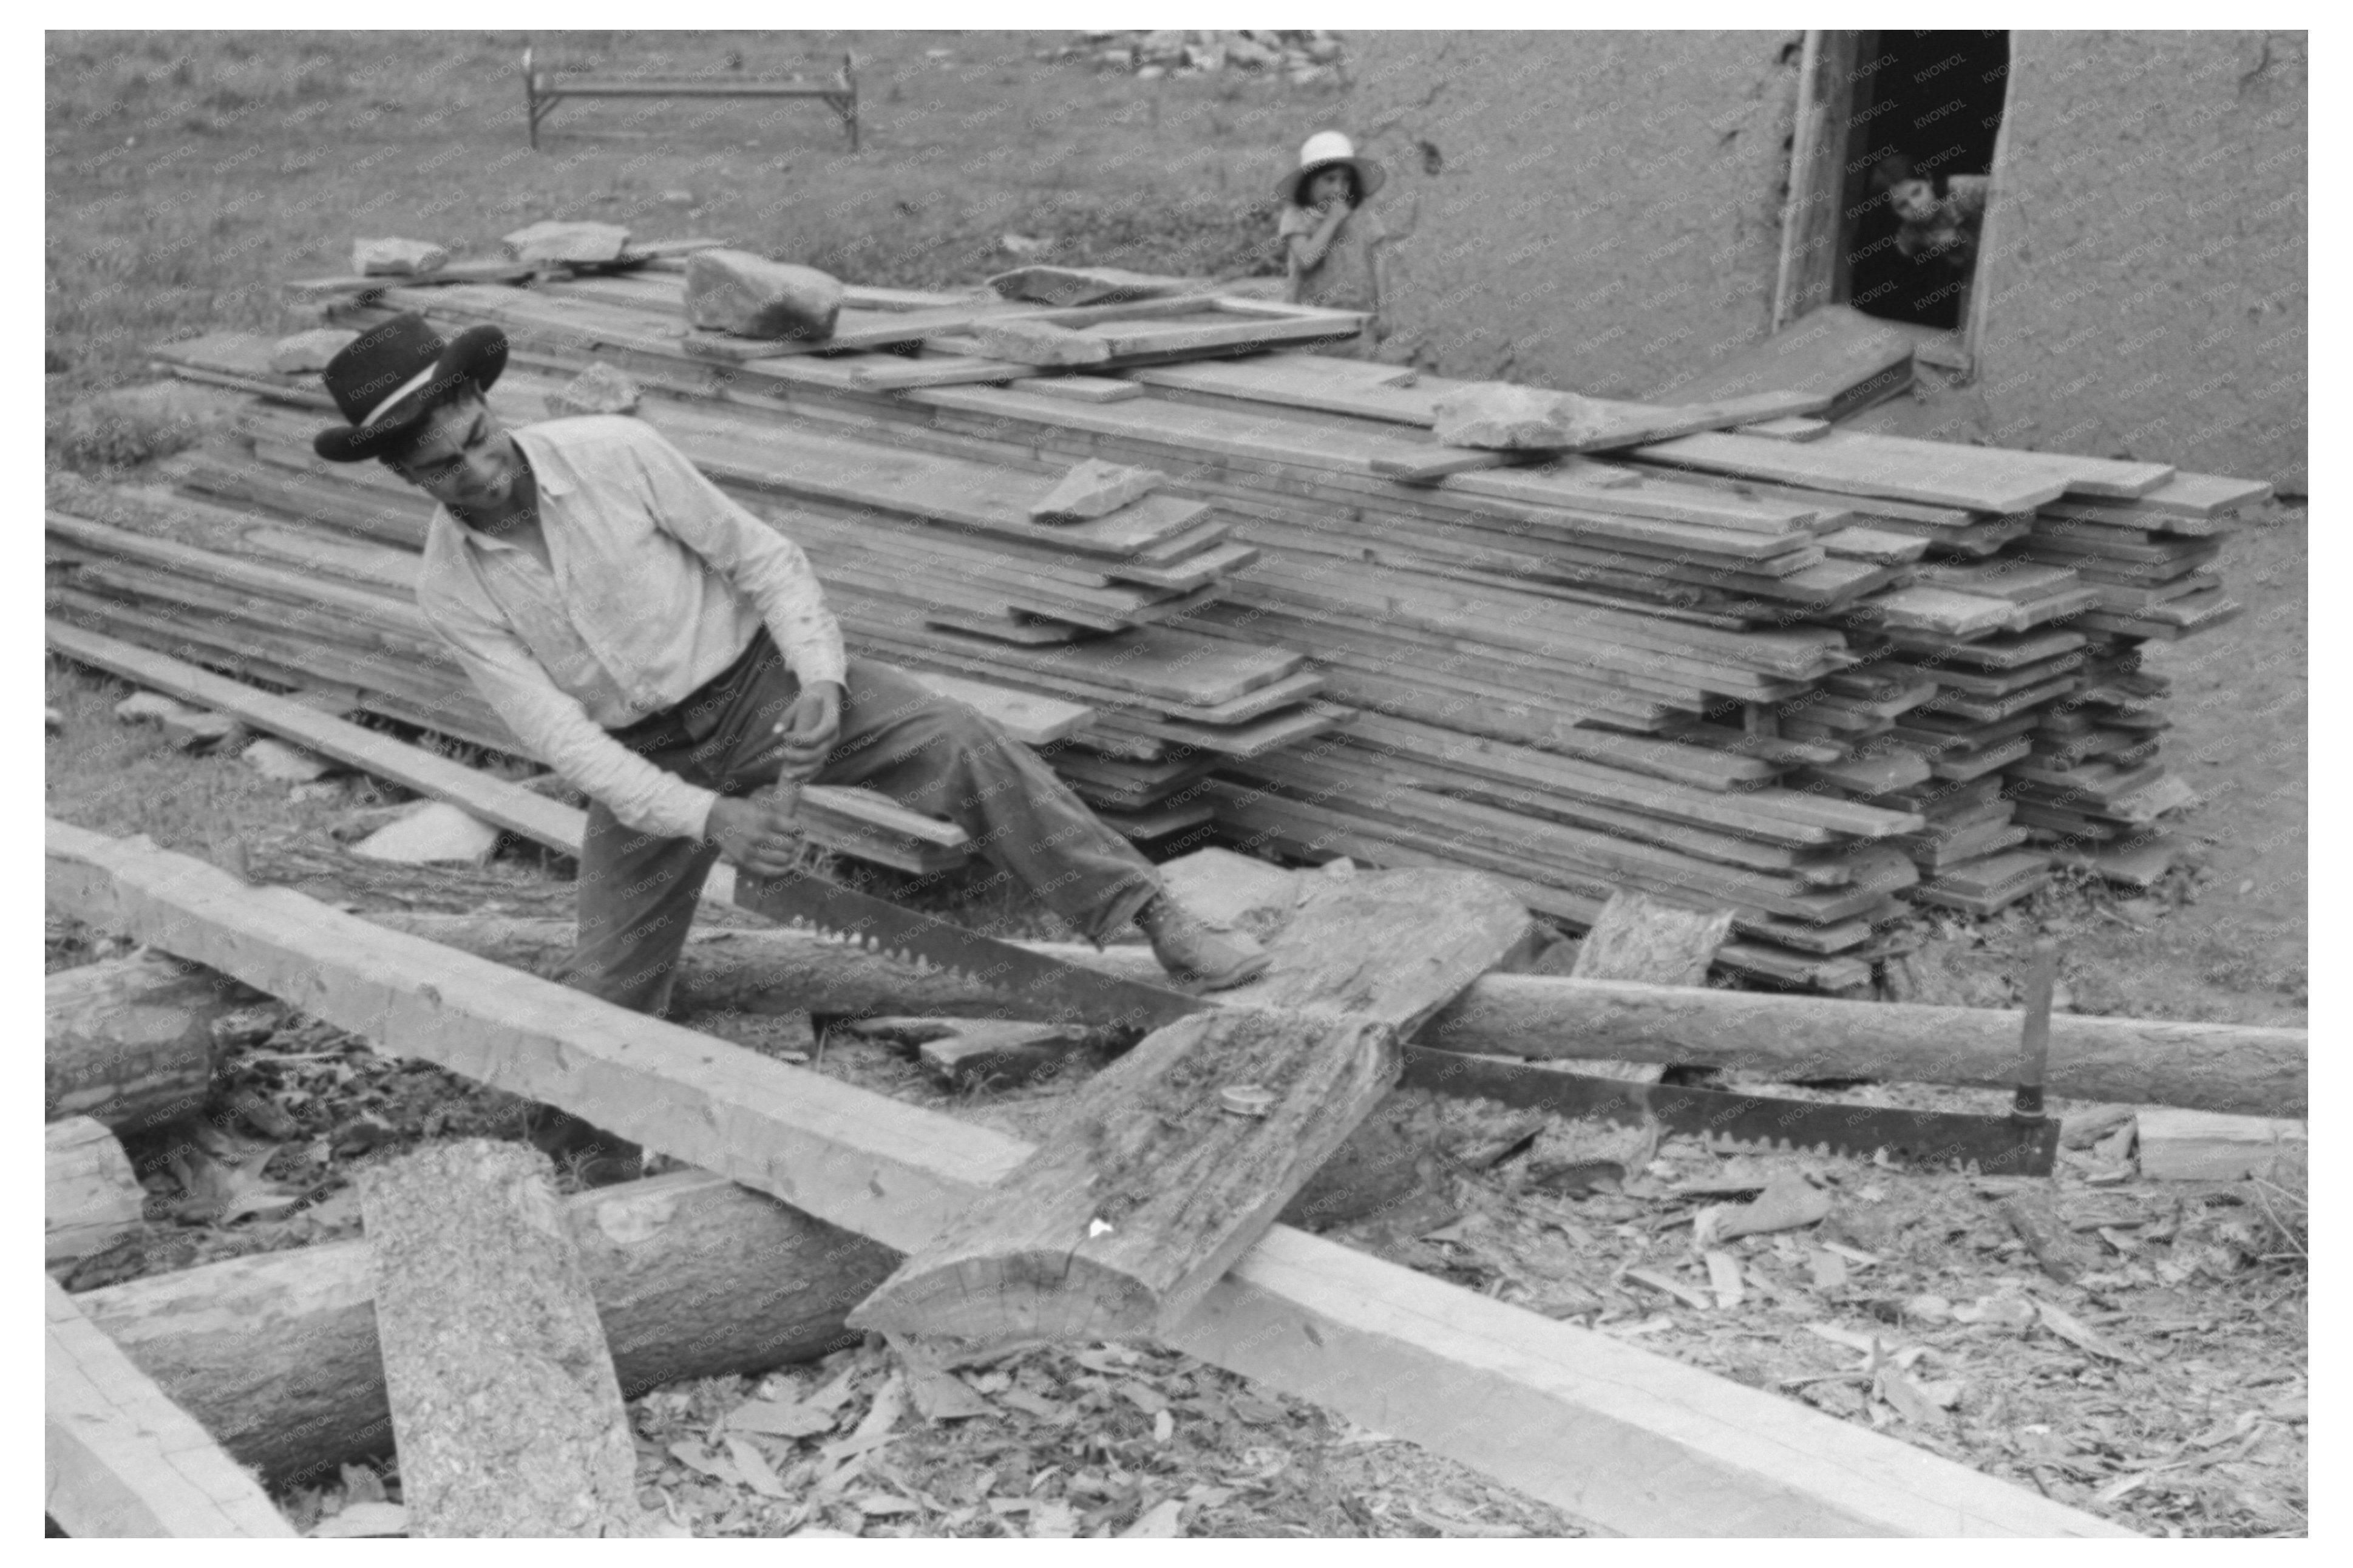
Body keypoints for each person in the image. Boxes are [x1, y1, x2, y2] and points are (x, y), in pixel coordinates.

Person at [309, 314, 1271, 1031]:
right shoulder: (451, 588)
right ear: (406, 477)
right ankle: (598, 1164)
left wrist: (818, 679)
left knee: (960, 741)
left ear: (489, 405)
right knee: (606, 989)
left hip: (760, 684)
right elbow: (565, 742)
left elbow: (763, 560)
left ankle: (1157, 919)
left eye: (478, 438)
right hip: (643, 758)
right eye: (444, 468)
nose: (478, 472)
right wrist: (710, 818)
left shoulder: (617, 454)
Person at [1275, 131, 1388, 352]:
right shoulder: (1297, 216)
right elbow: (1306, 259)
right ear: (1309, 183)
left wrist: (1385, 310)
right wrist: (1333, 220)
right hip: (1308, 325)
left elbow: (1379, 259)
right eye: (1330, 180)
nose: (1339, 189)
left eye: (1346, 180)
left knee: (1359, 370)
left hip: (1358, 322)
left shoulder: (1362, 216)